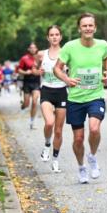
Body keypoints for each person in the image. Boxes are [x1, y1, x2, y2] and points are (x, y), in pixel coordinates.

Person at [53, 13, 107, 184]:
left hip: (96, 96)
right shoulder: (70, 47)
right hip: (76, 98)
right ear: (79, 28)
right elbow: (57, 68)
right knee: (78, 139)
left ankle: (92, 156)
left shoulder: (102, 45)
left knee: (94, 129)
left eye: (90, 25)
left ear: (95, 27)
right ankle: (81, 167)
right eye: (84, 26)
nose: (87, 28)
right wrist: (66, 79)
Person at [37, 25, 68, 173]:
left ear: (61, 37)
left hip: (62, 91)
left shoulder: (66, 53)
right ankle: (46, 145)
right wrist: (39, 71)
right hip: (47, 91)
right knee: (49, 122)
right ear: (47, 37)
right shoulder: (41, 54)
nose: (54, 37)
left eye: (57, 34)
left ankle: (55, 160)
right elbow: (36, 70)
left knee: (59, 130)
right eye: (51, 35)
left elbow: (73, 70)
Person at [17, 43, 42, 129]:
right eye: (31, 48)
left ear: (36, 49)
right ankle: (23, 105)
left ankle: (32, 122)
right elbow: (19, 70)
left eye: (34, 47)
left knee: (35, 102)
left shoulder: (39, 58)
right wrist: (25, 72)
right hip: (27, 82)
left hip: (36, 82)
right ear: (29, 49)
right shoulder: (24, 58)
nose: (33, 49)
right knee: (27, 104)